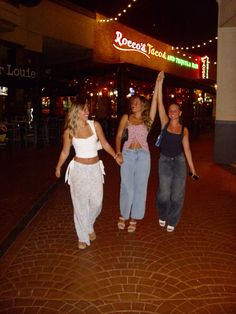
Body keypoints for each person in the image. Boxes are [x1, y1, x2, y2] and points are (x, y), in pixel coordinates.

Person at [55, 99, 121, 250]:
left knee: (97, 203)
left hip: (95, 169)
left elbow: (104, 144)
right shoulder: (69, 131)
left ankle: (88, 225)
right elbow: (65, 152)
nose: (87, 112)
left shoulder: (95, 125)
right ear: (75, 112)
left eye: (87, 109)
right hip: (79, 170)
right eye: (83, 110)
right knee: (80, 205)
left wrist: (115, 155)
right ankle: (82, 237)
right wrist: (58, 166)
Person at [115, 77, 159, 232]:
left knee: (140, 187)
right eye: (132, 103)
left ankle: (134, 217)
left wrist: (158, 84)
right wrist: (118, 152)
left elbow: (155, 104)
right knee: (126, 185)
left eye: (136, 103)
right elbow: (119, 135)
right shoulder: (126, 118)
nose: (133, 105)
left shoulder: (147, 120)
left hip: (143, 155)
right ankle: (124, 214)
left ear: (142, 105)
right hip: (127, 153)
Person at [156, 71, 198, 232]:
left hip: (179, 161)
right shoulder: (165, 123)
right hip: (164, 161)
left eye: (175, 110)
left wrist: (192, 169)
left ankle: (173, 219)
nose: (172, 112)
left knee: (177, 194)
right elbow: (160, 103)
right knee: (164, 193)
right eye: (170, 110)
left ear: (180, 113)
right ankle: (162, 213)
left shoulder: (184, 130)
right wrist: (159, 83)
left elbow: (186, 149)